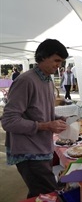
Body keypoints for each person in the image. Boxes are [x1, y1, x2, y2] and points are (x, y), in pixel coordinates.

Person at [1, 39, 69, 198]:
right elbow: (8, 121)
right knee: (47, 193)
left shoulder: (47, 80)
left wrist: (59, 119)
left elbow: (39, 112)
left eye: (61, 62)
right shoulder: (26, 80)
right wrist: (46, 126)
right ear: (43, 57)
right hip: (28, 152)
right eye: (56, 60)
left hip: (42, 148)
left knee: (42, 193)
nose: (59, 65)